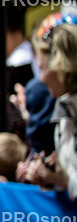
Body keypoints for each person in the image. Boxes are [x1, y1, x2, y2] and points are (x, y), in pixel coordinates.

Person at [20, 23, 77, 200]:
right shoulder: (64, 109)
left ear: (60, 67)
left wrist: (59, 179)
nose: (41, 79)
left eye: (42, 68)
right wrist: (49, 176)